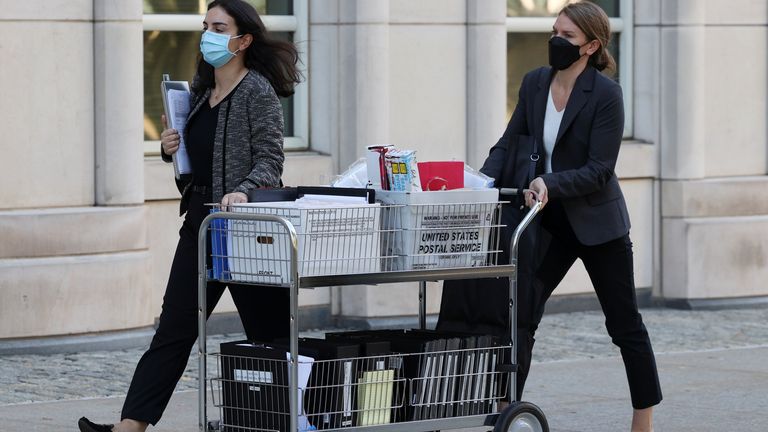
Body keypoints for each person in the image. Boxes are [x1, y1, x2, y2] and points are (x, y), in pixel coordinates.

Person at [438, 2, 661, 431]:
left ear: (591, 45)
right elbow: (509, 142)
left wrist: (549, 183)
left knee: (625, 324)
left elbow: (600, 169)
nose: (556, 40)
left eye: (568, 36)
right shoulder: (536, 83)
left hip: (599, 226)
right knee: (521, 316)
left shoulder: (606, 94)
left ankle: (643, 419)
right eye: (555, 31)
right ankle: (507, 409)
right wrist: (480, 182)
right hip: (548, 224)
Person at [78, 1, 301, 431]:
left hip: (243, 230)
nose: (208, 35)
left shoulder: (258, 92)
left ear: (243, 39)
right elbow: (195, 159)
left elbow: (271, 159)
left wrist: (243, 191)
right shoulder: (200, 92)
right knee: (175, 329)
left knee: (268, 336)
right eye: (206, 26)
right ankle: (129, 428)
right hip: (201, 225)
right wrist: (170, 149)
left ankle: (284, 421)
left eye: (219, 26)